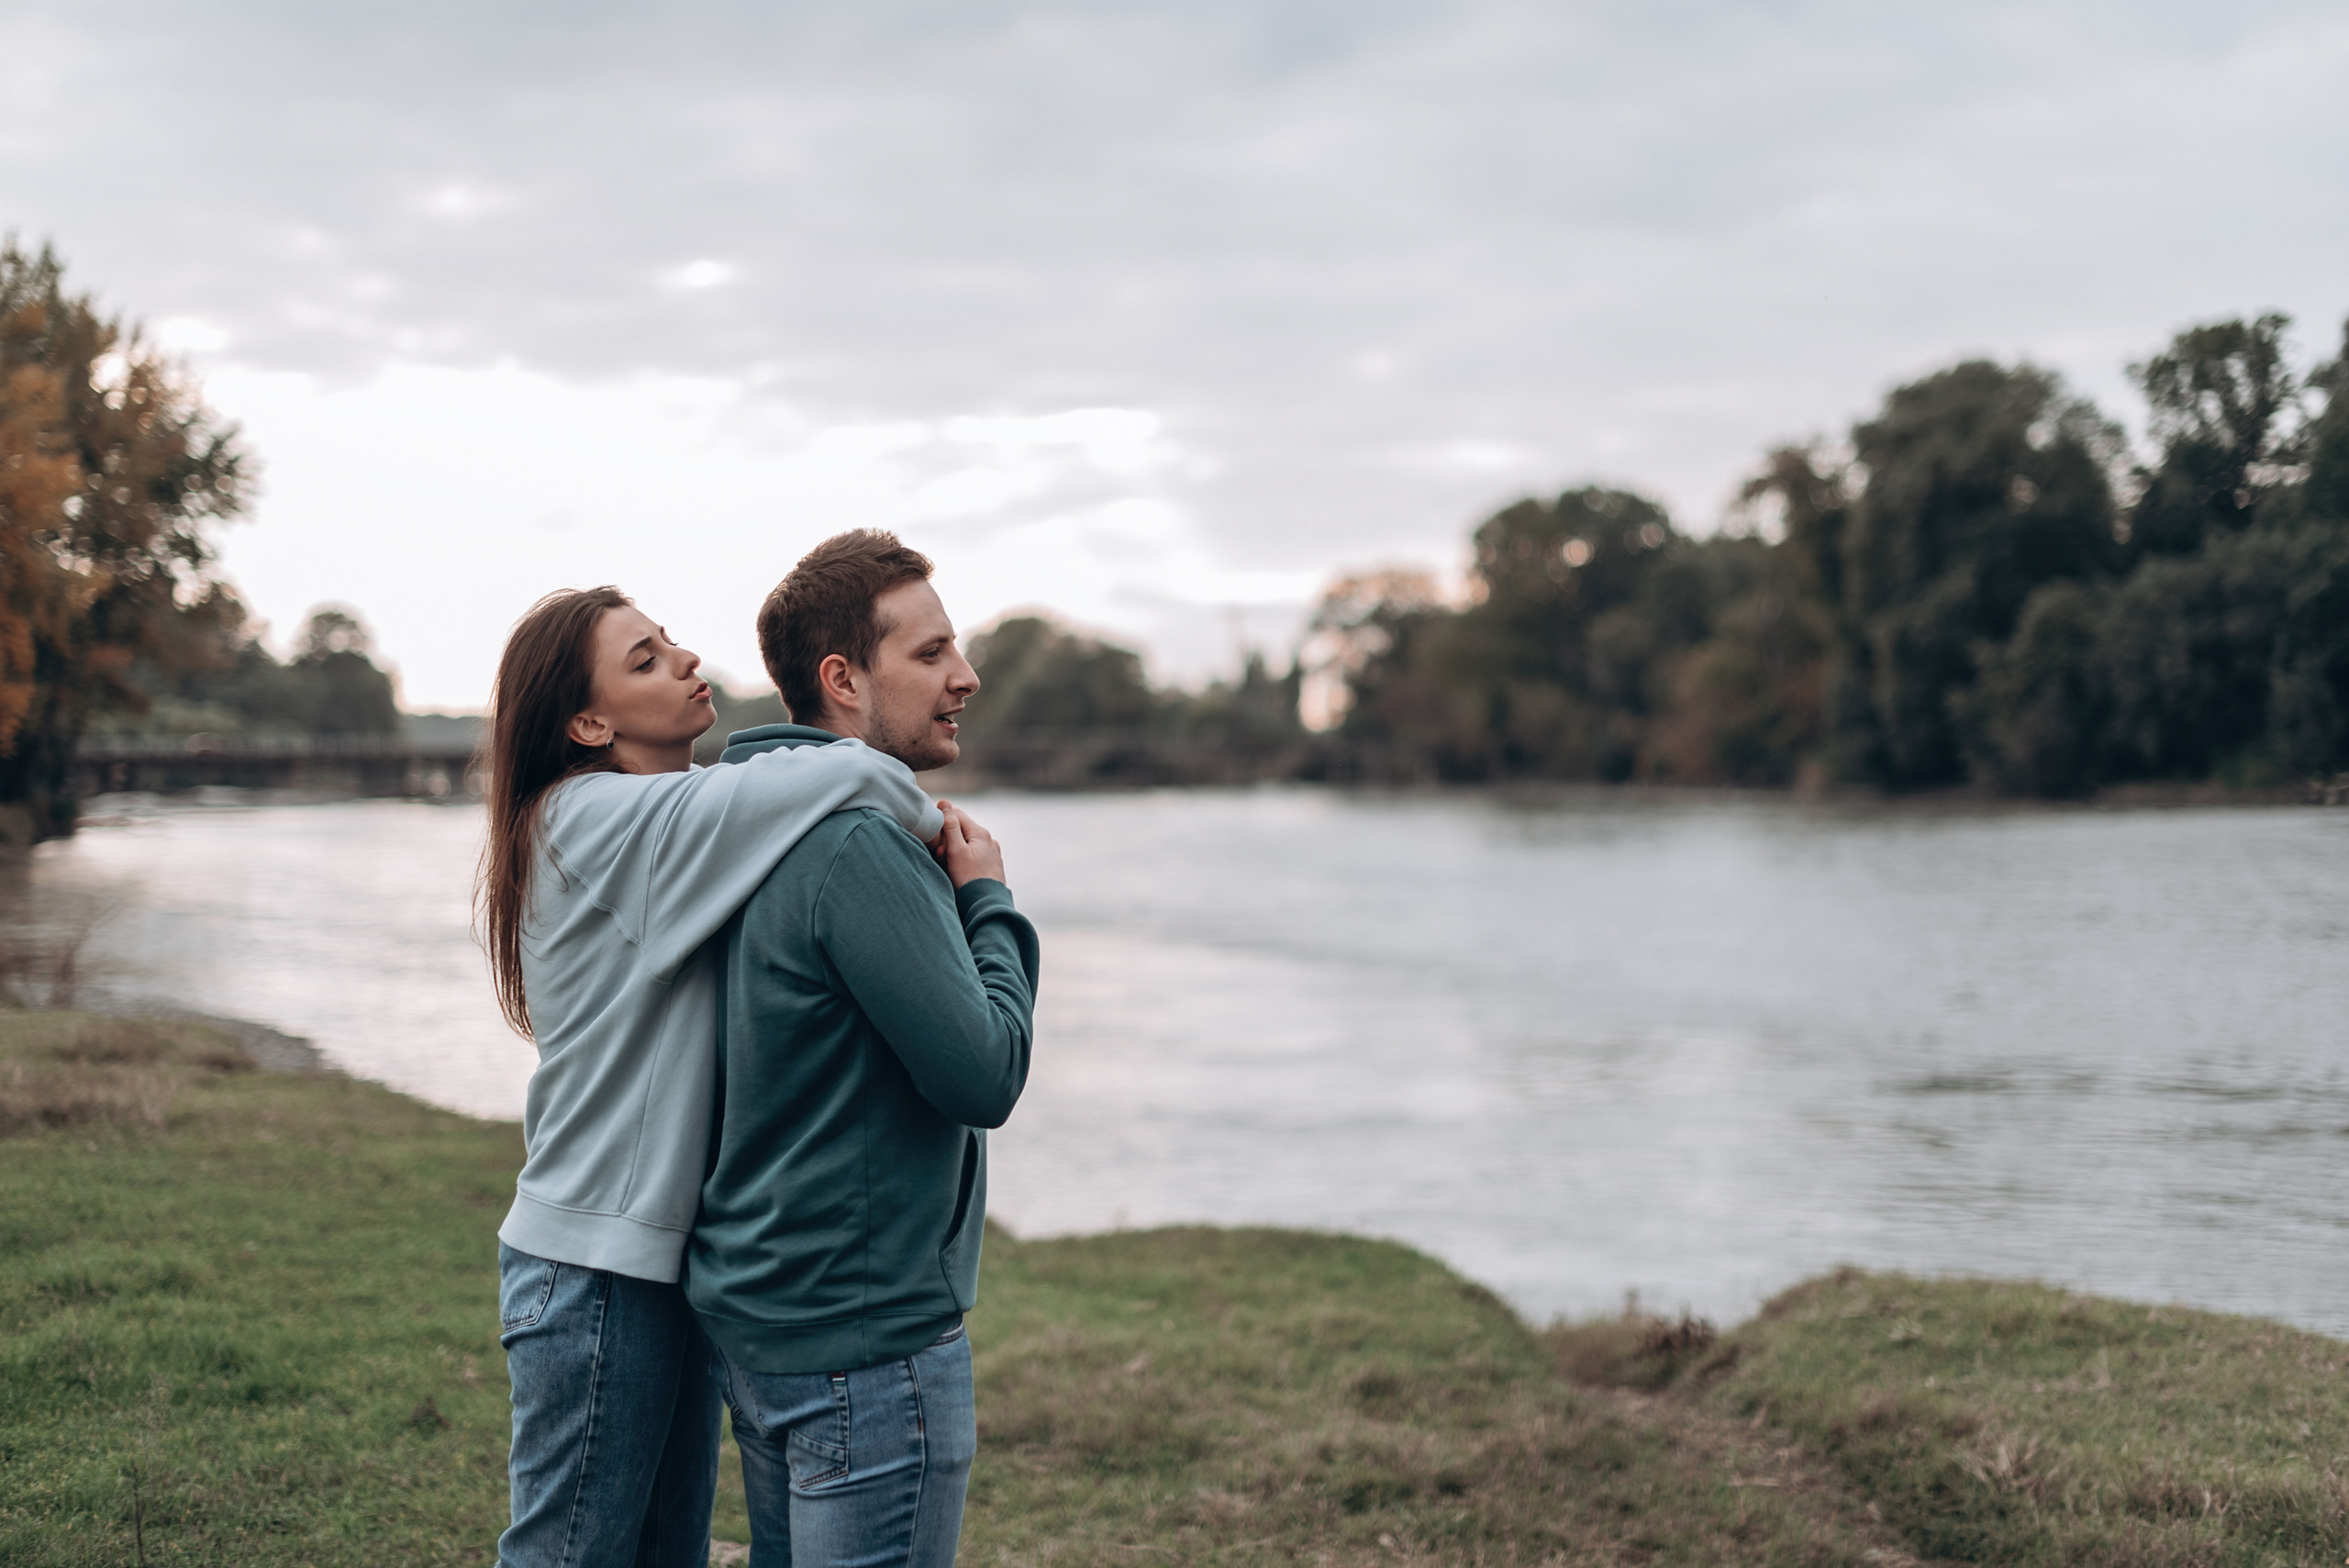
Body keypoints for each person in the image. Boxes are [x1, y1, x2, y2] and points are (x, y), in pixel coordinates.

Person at [476, 585, 943, 1568]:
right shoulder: (593, 817)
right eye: (644, 660)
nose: (685, 660)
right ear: (588, 723)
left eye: (670, 641)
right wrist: (937, 828)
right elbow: (831, 777)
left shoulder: (663, 823)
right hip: (595, 1267)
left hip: (656, 1258)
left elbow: (770, 795)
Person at [685, 530, 1040, 1568]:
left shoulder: (731, 822)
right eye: (930, 653)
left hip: (765, 1315)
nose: (965, 675)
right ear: (843, 679)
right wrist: (988, 901)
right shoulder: (855, 840)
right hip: (865, 1341)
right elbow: (984, 1073)